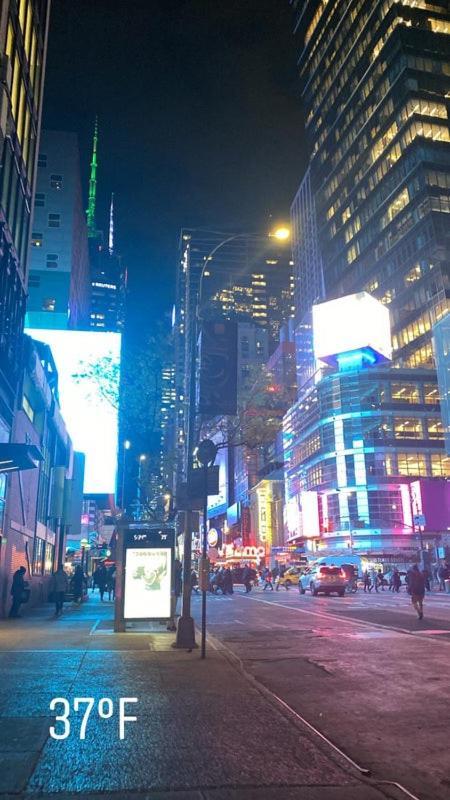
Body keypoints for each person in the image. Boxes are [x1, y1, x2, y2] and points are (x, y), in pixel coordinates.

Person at [167, 557, 182, 631]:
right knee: (172, 609)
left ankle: (170, 624)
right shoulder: (176, 572)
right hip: (174, 592)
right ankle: (171, 624)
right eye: (178, 563)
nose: (179, 565)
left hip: (173, 592)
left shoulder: (174, 571)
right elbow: (177, 583)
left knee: (171, 609)